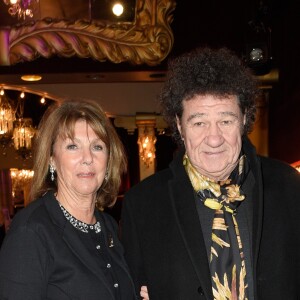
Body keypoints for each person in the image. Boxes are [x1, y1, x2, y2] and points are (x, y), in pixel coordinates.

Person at [121, 47, 300, 299]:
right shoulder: (142, 205)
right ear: (180, 126)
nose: (214, 139)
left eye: (226, 121)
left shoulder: (289, 187)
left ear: (244, 118)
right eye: (199, 122)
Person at [0, 99, 138, 299]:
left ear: (108, 160)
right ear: (52, 159)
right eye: (73, 146)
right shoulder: (31, 231)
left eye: (97, 147)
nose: (88, 158)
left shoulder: (108, 226)